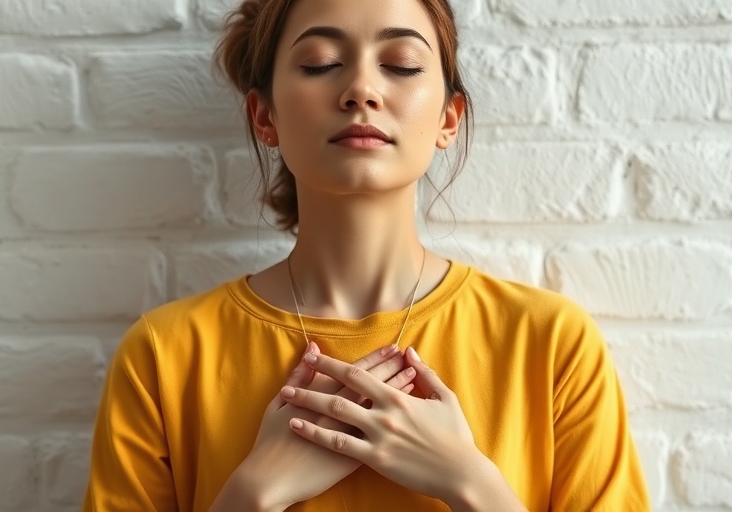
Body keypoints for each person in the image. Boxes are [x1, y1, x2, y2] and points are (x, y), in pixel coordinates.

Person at [83, 0, 650, 510]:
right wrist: (253, 492)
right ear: (265, 117)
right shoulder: (164, 354)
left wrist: (471, 483)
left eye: (401, 63)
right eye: (320, 63)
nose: (361, 90)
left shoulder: (550, 344)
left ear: (448, 119)